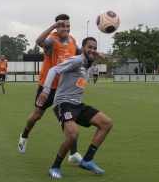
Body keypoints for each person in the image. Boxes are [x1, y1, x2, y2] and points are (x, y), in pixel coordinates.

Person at [17, 14, 108, 163]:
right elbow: (39, 41)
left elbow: (79, 52)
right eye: (62, 25)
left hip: (66, 87)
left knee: (69, 117)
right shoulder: (51, 39)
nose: (66, 28)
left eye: (67, 25)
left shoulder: (72, 40)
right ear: (57, 27)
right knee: (37, 115)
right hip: (48, 85)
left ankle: (73, 154)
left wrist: (95, 52)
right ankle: (24, 135)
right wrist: (53, 26)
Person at [36, 37, 113, 178]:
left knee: (106, 123)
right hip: (63, 103)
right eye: (89, 47)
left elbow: (90, 53)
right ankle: (55, 167)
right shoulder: (77, 60)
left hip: (77, 104)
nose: (93, 50)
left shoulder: (87, 63)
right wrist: (46, 90)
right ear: (82, 48)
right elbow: (53, 70)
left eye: (95, 48)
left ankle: (88, 160)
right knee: (72, 135)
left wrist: (97, 53)